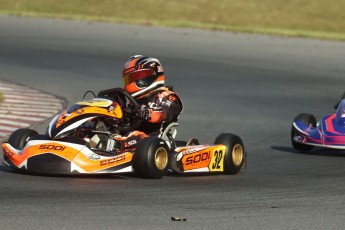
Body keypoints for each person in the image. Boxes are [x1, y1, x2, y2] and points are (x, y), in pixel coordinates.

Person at [115, 55, 183, 149]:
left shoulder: (168, 96)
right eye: (129, 79)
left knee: (137, 136)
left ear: (152, 74)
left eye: (136, 77)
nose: (132, 81)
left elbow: (164, 113)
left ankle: (116, 145)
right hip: (132, 139)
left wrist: (147, 113)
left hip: (155, 143)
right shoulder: (133, 102)